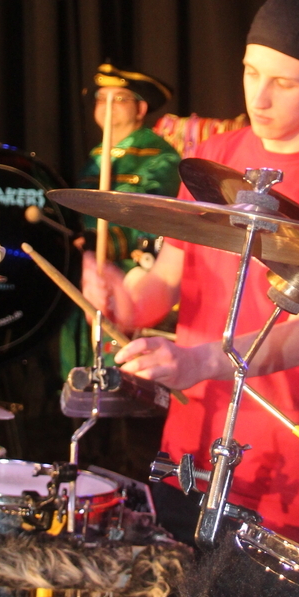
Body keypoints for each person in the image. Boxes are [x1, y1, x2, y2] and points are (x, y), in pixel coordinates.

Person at [83, 0, 299, 547]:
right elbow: (166, 281)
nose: (259, 97)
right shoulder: (213, 159)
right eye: (251, 72)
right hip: (193, 437)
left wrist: (198, 361)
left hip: (291, 455)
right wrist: (123, 299)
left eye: (284, 82)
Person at [58, 64, 181, 377]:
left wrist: (106, 242)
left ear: (141, 108)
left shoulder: (161, 158)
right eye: (101, 99)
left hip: (134, 279)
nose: (107, 106)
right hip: (88, 273)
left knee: (123, 371)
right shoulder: (95, 157)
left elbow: (153, 217)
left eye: (119, 99)